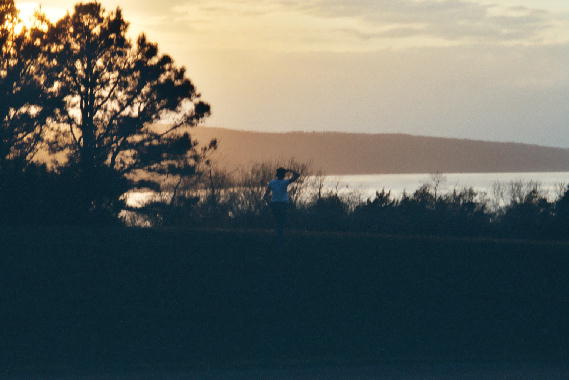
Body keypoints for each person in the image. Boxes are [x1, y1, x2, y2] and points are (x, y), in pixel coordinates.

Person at [263, 167, 300, 238]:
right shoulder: (285, 182)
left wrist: (270, 204)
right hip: (283, 204)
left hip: (275, 204)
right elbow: (297, 175)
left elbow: (265, 196)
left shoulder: (272, 182)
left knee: (277, 221)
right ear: (284, 175)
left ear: (277, 175)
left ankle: (278, 237)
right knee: (282, 221)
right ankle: (280, 237)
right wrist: (290, 170)